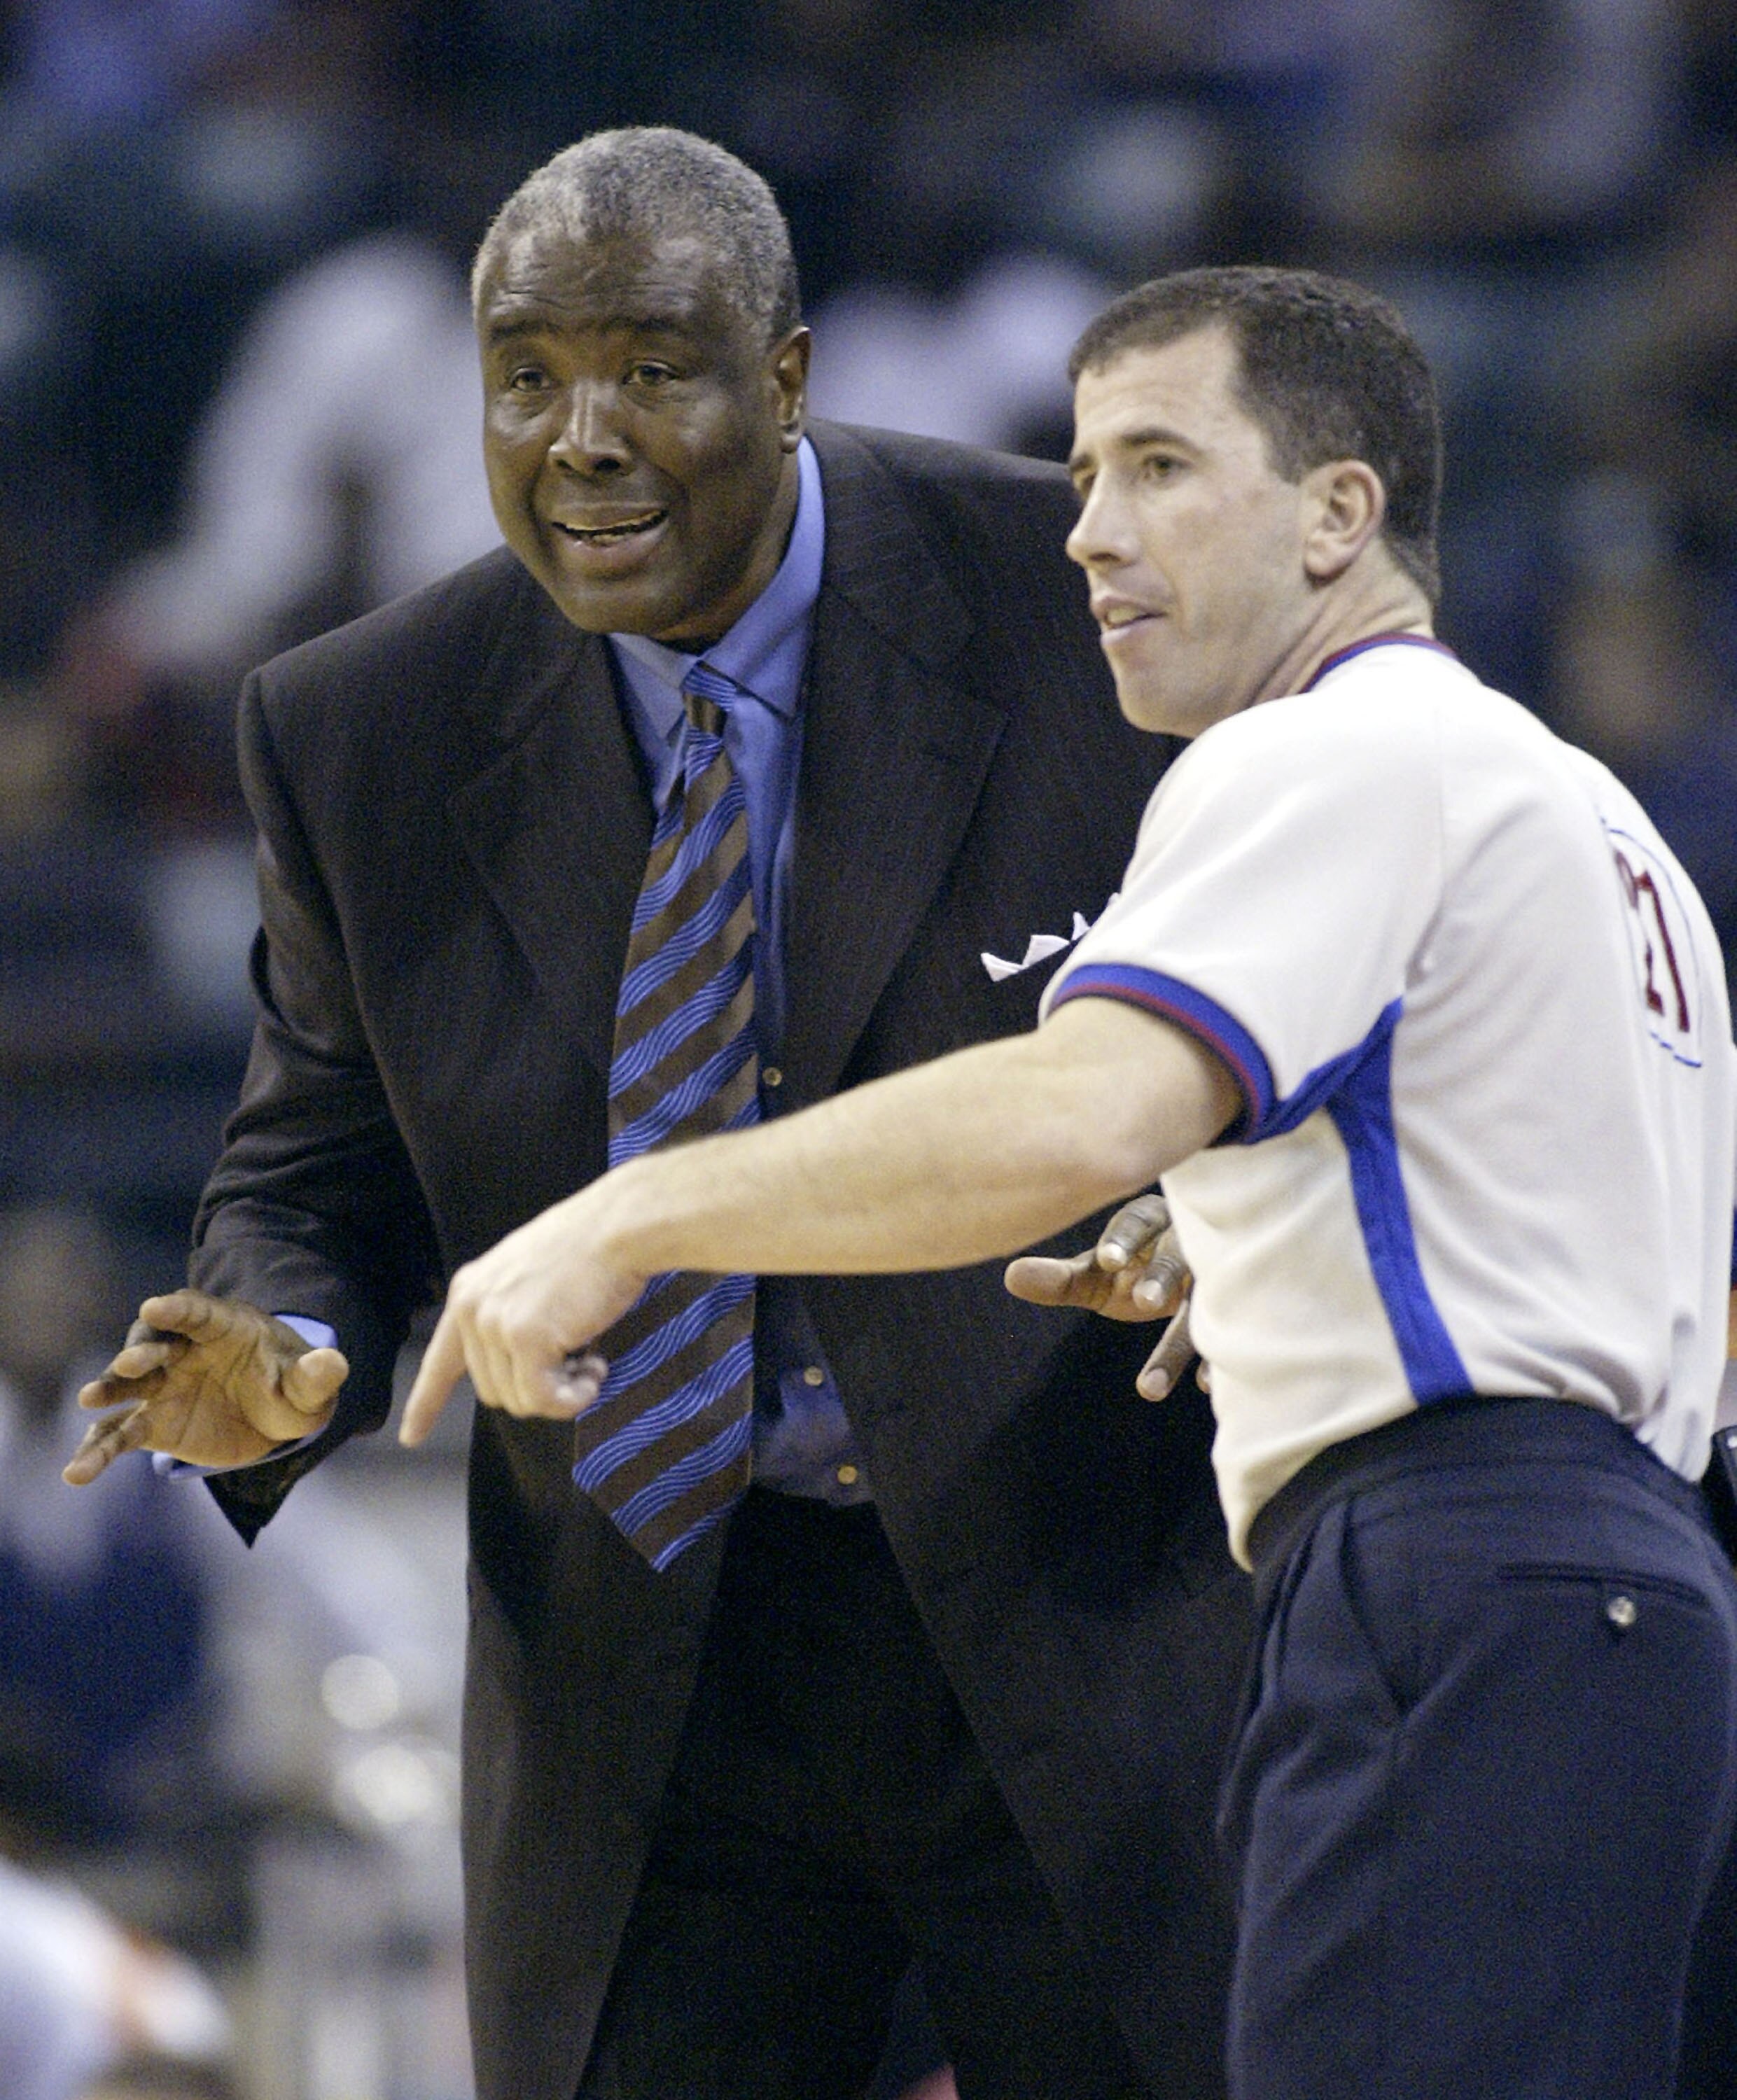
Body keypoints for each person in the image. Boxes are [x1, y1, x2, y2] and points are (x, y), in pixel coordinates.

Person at [351, 265, 1734, 2099]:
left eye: (1159, 466)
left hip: (1445, 1571)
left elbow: (1072, 1111)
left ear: (1338, 512)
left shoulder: (1329, 754)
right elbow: (1518, 1184)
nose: (1089, 533)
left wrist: (631, 1212)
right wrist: (1234, 1236)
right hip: (1632, 1590)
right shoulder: (1582, 807)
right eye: (1080, 475)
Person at [64, 131, 1252, 2100]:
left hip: (1076, 1605)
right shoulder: (364, 726)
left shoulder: (1074, 607)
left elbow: (1315, 1003)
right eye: (526, 377)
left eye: (653, 368)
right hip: (653, 1670)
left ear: (783, 376)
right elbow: (314, 1164)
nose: (581, 437)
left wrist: (1226, 1198)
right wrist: (281, 1354)